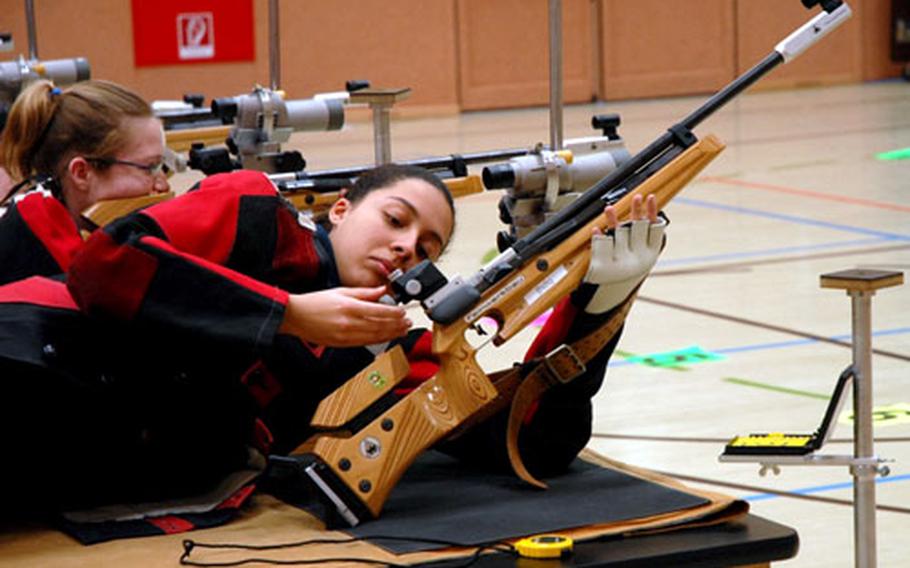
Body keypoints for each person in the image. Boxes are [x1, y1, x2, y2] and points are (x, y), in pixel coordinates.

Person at [0, 163, 664, 527]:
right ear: (340, 209)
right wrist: (288, 313)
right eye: (395, 220)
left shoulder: (387, 352)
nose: (407, 247)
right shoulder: (254, 212)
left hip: (67, 468)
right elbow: (105, 266)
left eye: (427, 247)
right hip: (28, 359)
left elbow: (529, 442)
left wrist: (597, 308)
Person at [0, 79, 170, 285]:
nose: (162, 185)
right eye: (149, 168)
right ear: (81, 173)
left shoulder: (38, 219)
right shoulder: (41, 250)